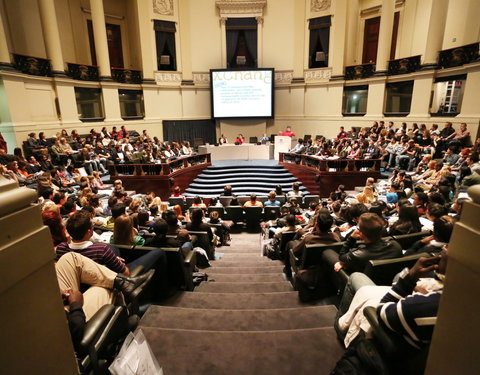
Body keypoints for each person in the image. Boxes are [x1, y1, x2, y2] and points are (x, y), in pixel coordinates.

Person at [56, 252, 154, 351]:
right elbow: (76, 330)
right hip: (67, 326)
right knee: (105, 286)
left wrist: (59, 294)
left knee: (69, 258)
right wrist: (75, 304)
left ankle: (125, 283)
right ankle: (121, 326)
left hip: (56, 307)